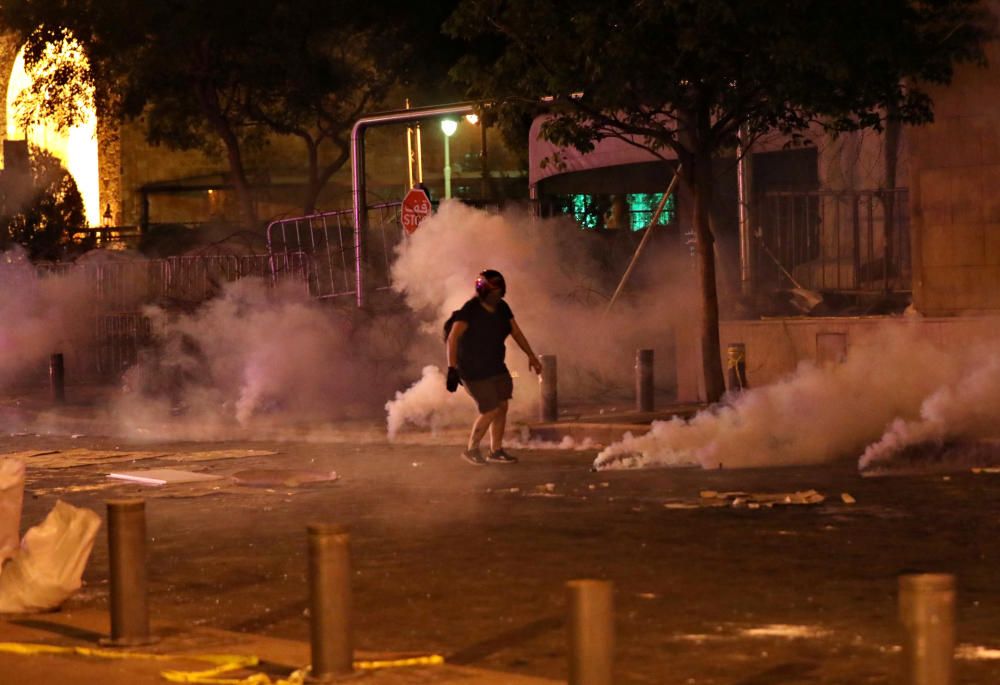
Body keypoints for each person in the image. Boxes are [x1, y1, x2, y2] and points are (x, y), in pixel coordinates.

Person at [445, 269, 542, 465]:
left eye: (495, 291)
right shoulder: (470, 310)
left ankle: (495, 450)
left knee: (502, 406)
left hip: (495, 365)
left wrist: (531, 355)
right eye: (488, 291)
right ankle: (471, 450)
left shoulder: (502, 308)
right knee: (490, 409)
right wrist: (452, 368)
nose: (492, 295)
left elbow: (516, 332)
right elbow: (453, 338)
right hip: (472, 369)